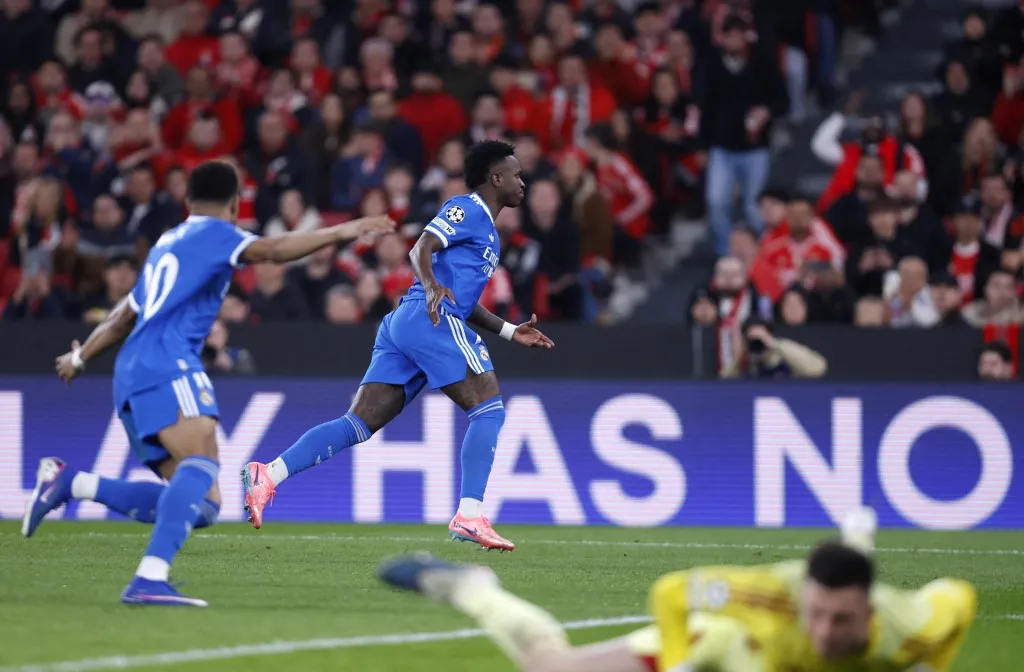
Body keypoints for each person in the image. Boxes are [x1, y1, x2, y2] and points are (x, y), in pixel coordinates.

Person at [22, 160, 394, 607]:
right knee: (202, 464)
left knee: (203, 503)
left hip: (134, 368)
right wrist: (342, 230)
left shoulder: (167, 243)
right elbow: (273, 251)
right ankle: (149, 578)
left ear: (186, 201)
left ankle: (71, 484)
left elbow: (125, 314)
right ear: (236, 204)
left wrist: (81, 356)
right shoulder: (216, 235)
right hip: (168, 364)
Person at [241, 140, 554, 552]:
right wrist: (429, 286)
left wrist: (511, 331)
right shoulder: (468, 208)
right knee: (488, 408)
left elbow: (461, 296)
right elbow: (420, 246)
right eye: (516, 175)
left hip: (409, 324)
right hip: (430, 320)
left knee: (359, 424)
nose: (522, 182)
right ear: (496, 178)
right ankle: (471, 514)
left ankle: (270, 474)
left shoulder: (488, 230)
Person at [379, 508, 976, 672]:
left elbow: (960, 598)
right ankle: (473, 588)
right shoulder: (767, 596)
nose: (823, 632)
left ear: (866, 614)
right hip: (718, 644)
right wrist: (680, 662)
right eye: (815, 615)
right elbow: (671, 593)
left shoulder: (906, 629)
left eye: (840, 622)